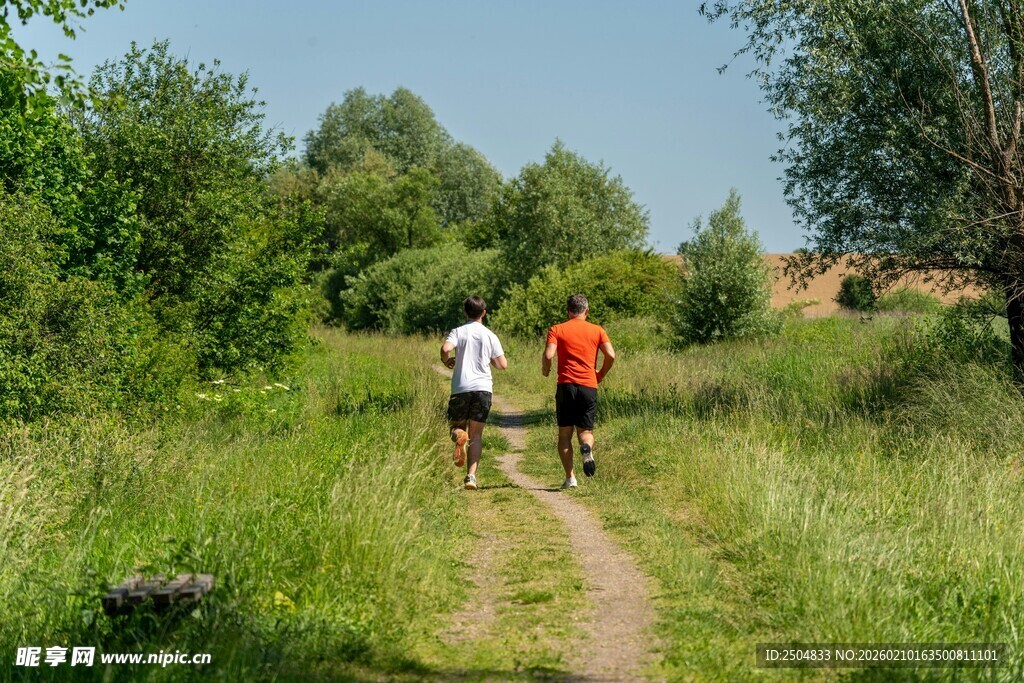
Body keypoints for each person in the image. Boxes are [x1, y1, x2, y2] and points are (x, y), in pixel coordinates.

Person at [541, 293, 616, 489]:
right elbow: (611, 355)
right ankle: (587, 448)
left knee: (565, 434)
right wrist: (599, 374)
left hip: (566, 386)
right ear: (586, 311)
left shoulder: (557, 329)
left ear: (568, 311)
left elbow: (549, 354)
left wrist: (546, 368)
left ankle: (570, 478)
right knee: (586, 431)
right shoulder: (598, 330)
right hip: (588, 386)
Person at [441, 295, 508, 490]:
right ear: (484, 313)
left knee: (456, 427)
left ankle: (459, 435)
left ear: (465, 312)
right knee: (476, 436)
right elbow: (502, 364)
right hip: (483, 390)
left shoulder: (458, 332)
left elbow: (445, 348)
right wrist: (490, 359)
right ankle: (471, 477)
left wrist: (447, 361)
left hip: (461, 389)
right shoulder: (490, 335)